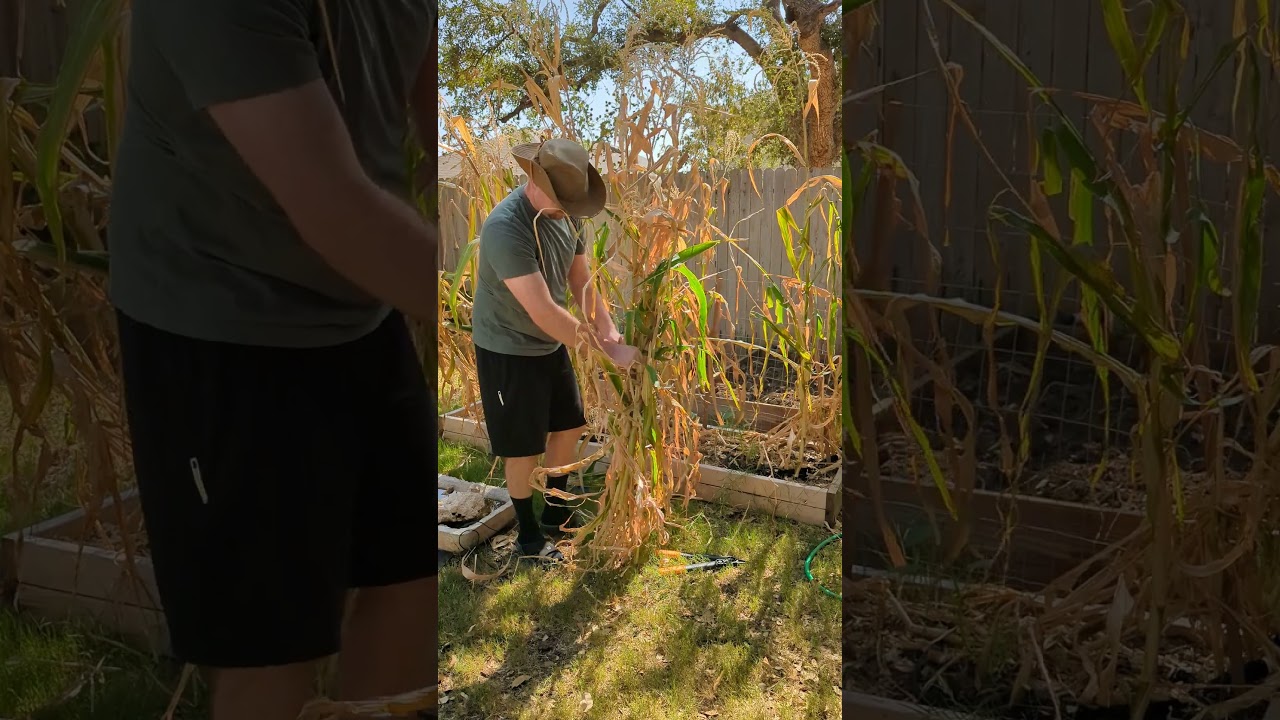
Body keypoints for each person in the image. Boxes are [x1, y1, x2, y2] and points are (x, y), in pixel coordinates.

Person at [106, 1, 439, 718]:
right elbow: (334, 206)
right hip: (222, 320)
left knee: (412, 581)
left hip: (364, 302)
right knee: (271, 648)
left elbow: (427, 104)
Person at [471, 139, 640, 562]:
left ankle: (557, 513)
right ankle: (529, 538)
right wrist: (604, 351)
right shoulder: (505, 227)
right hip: (508, 347)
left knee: (568, 425)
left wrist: (608, 325)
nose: (570, 209)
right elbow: (544, 310)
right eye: (564, 200)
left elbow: (580, 279)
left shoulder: (567, 213)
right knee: (523, 446)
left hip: (551, 342)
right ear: (534, 179)